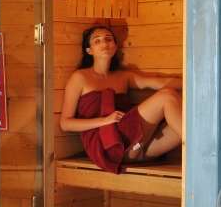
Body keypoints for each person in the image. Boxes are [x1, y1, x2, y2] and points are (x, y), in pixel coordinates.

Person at [60, 24, 182, 173]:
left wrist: (200, 83)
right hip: (109, 147)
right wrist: (105, 120)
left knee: (188, 118)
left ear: (115, 46)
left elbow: (159, 83)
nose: (104, 43)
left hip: (136, 147)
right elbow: (65, 123)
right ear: (89, 50)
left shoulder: (123, 77)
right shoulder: (80, 77)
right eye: (97, 41)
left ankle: (202, 154)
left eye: (108, 39)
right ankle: (201, 154)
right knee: (168, 96)